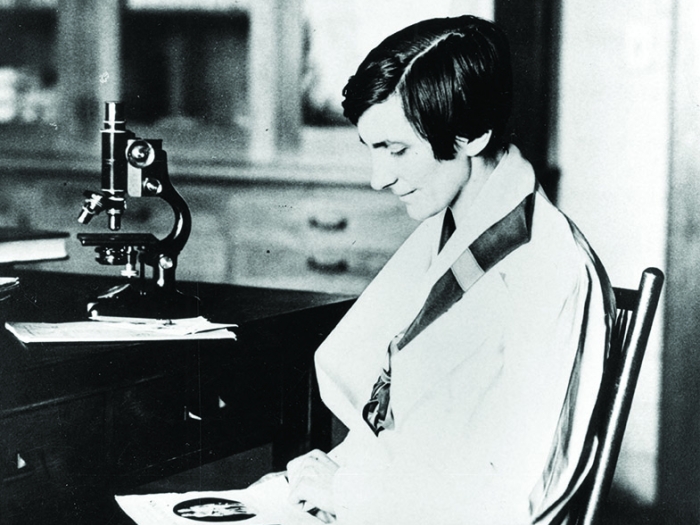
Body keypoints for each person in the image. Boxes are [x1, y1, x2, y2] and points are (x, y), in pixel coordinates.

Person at [261, 14, 615, 525]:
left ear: (472, 136)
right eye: (372, 150)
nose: (379, 179)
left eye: (397, 150)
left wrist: (347, 492)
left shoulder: (547, 269)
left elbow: (514, 498)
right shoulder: (455, 227)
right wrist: (323, 481)